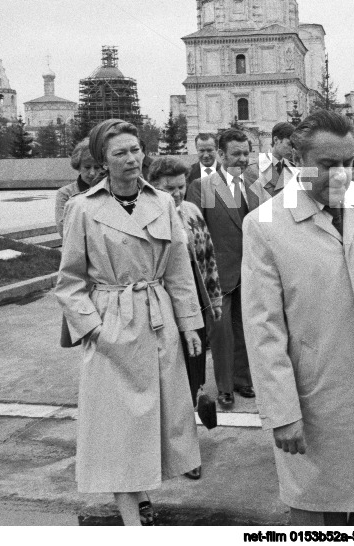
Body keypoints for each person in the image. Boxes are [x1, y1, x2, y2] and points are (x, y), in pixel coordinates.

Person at [242, 110, 354, 526]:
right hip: (316, 400)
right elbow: (263, 329)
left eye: (349, 162)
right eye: (327, 165)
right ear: (297, 161)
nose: (341, 175)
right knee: (321, 512)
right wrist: (282, 413)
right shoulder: (265, 225)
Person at [55, 119, 204, 526]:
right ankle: (130, 516)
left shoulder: (163, 203)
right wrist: (94, 329)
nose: (132, 159)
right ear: (102, 159)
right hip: (111, 321)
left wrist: (190, 323)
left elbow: (178, 269)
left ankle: (137, 492)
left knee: (152, 416)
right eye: (120, 152)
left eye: (136, 149)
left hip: (157, 320)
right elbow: (69, 281)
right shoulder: (82, 208)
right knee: (118, 421)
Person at [147, 155, 225, 478]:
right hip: (163, 307)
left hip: (195, 303)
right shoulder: (148, 215)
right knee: (167, 382)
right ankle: (160, 449)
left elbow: (207, 257)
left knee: (193, 379)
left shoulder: (191, 212)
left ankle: (188, 454)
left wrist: (215, 298)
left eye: (181, 187)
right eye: (170, 187)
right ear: (154, 185)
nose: (177, 194)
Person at [186, 128, 261, 402]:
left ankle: (244, 380)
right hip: (217, 274)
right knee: (220, 332)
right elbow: (194, 233)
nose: (242, 159)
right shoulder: (202, 187)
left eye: (246, 153)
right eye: (236, 154)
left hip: (251, 270)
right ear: (220, 155)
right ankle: (225, 387)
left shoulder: (254, 182)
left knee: (245, 327)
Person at [55, 139, 101, 236]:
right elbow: (63, 229)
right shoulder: (65, 193)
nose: (92, 173)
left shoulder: (111, 190)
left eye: (97, 167)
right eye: (87, 167)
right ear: (78, 167)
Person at [243, 121, 296, 202]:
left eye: (294, 145)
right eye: (289, 144)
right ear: (276, 140)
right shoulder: (253, 169)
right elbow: (253, 206)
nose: (292, 149)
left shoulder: (292, 169)